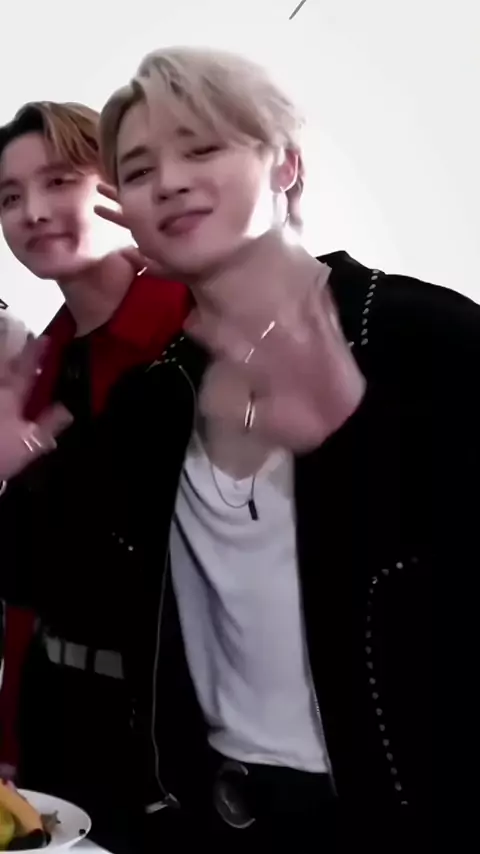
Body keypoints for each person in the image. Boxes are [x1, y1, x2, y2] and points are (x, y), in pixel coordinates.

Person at [92, 45, 479, 851]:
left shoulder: (428, 338)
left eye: (203, 147)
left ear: (287, 164)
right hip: (207, 817)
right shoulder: (151, 400)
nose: (170, 181)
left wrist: (360, 432)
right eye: (139, 169)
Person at [0, 100, 189, 853]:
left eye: (58, 181)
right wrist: (9, 740)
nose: (33, 213)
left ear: (114, 184)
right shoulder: (35, 367)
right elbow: (30, 587)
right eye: (9, 197)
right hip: (56, 722)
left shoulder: (193, 326)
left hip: (178, 739)